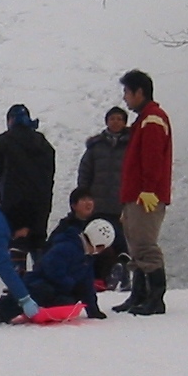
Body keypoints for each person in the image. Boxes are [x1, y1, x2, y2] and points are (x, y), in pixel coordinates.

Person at [0, 218, 115, 325]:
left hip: (57, 290)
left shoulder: (87, 258)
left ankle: (41, 312)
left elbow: (87, 286)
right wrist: (70, 283)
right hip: (38, 283)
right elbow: (51, 269)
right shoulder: (67, 247)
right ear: (99, 245)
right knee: (41, 292)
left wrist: (93, 310)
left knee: (67, 301)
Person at [113, 69, 172, 316]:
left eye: (127, 92)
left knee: (145, 245)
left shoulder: (153, 120)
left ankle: (155, 299)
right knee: (136, 246)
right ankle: (139, 295)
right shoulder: (144, 120)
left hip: (145, 197)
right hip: (135, 195)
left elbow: (152, 158)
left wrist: (149, 189)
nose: (125, 98)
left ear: (140, 92)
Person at [0, 104, 55, 274]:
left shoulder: (5, 140)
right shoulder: (43, 143)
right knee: (38, 239)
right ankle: (44, 279)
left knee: (17, 239)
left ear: (10, 120)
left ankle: (18, 283)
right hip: (41, 202)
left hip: (15, 202)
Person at [77, 106, 131, 288]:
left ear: (125, 122)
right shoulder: (95, 146)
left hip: (121, 205)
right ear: (106, 121)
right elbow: (85, 172)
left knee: (122, 241)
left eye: (119, 119)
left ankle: (124, 276)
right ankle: (100, 278)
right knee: (97, 241)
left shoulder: (132, 145)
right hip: (97, 204)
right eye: (112, 118)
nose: (115, 122)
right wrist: (83, 197)